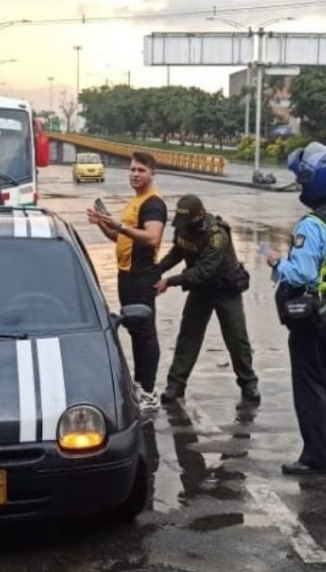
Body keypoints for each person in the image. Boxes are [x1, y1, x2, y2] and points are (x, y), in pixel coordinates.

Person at [266, 142, 326, 477]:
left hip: (314, 314)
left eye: (305, 179)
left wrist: (277, 262)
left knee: (311, 385)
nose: (302, 185)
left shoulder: (313, 224)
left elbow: (303, 273)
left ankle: (317, 457)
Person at [154, 194, 260, 404]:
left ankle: (248, 383)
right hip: (200, 290)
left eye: (188, 221)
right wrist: (155, 270)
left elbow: (204, 271)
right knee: (188, 336)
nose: (184, 227)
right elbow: (177, 252)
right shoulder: (183, 227)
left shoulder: (217, 234)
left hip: (225, 288)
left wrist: (170, 281)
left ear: (200, 215)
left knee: (237, 338)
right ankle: (175, 385)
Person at [87, 151, 167, 412]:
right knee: (134, 330)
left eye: (141, 170)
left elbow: (153, 238)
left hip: (142, 276)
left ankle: (149, 389)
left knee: (145, 333)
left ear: (152, 174)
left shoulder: (153, 203)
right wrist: (103, 223)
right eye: (132, 170)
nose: (135, 174)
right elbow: (120, 238)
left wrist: (119, 226)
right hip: (126, 275)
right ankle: (140, 383)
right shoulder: (135, 202)